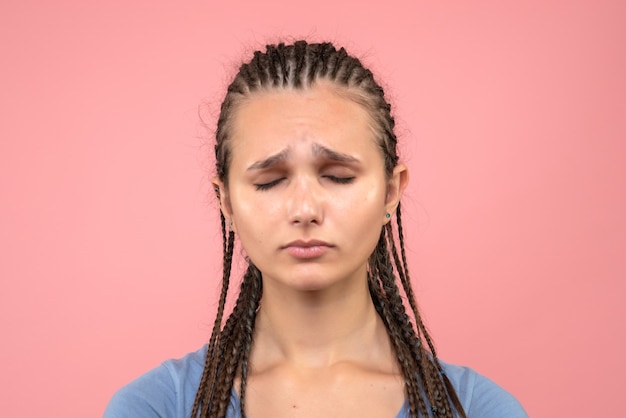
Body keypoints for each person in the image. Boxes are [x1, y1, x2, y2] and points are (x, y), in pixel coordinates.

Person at [104, 40, 528, 418]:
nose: (304, 209)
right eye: (269, 181)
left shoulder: (477, 409)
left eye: (339, 176)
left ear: (390, 192)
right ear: (226, 202)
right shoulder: (156, 407)